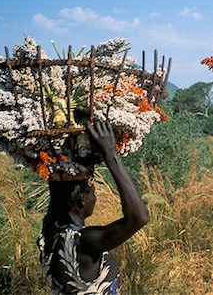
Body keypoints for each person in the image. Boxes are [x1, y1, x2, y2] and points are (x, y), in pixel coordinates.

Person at [37, 121, 149, 294]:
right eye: (92, 193)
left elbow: (57, 193)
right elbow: (139, 218)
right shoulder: (85, 242)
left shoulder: (50, 233)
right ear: (82, 199)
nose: (95, 198)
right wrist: (110, 155)